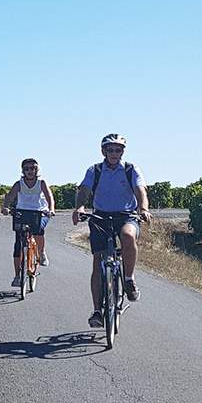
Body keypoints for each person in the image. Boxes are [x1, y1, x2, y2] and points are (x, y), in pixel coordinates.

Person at [71, 134, 152, 328]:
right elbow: (84, 189)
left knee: (127, 236)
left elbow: (140, 190)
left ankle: (129, 279)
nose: (115, 153)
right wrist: (80, 207)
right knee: (98, 261)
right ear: (103, 152)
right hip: (101, 216)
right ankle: (98, 310)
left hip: (126, 215)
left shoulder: (131, 169)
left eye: (118, 150)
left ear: (123, 152)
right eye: (111, 150)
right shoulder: (95, 170)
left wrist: (144, 208)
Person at [1, 158, 55, 287]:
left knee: (38, 231)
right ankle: (17, 276)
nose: (30, 171)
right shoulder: (18, 184)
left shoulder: (41, 183)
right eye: (27, 169)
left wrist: (51, 209)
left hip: (40, 212)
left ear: (37, 170)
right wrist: (5, 207)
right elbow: (9, 197)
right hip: (22, 212)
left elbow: (49, 197)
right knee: (18, 245)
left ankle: (41, 253)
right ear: (23, 171)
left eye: (33, 168)